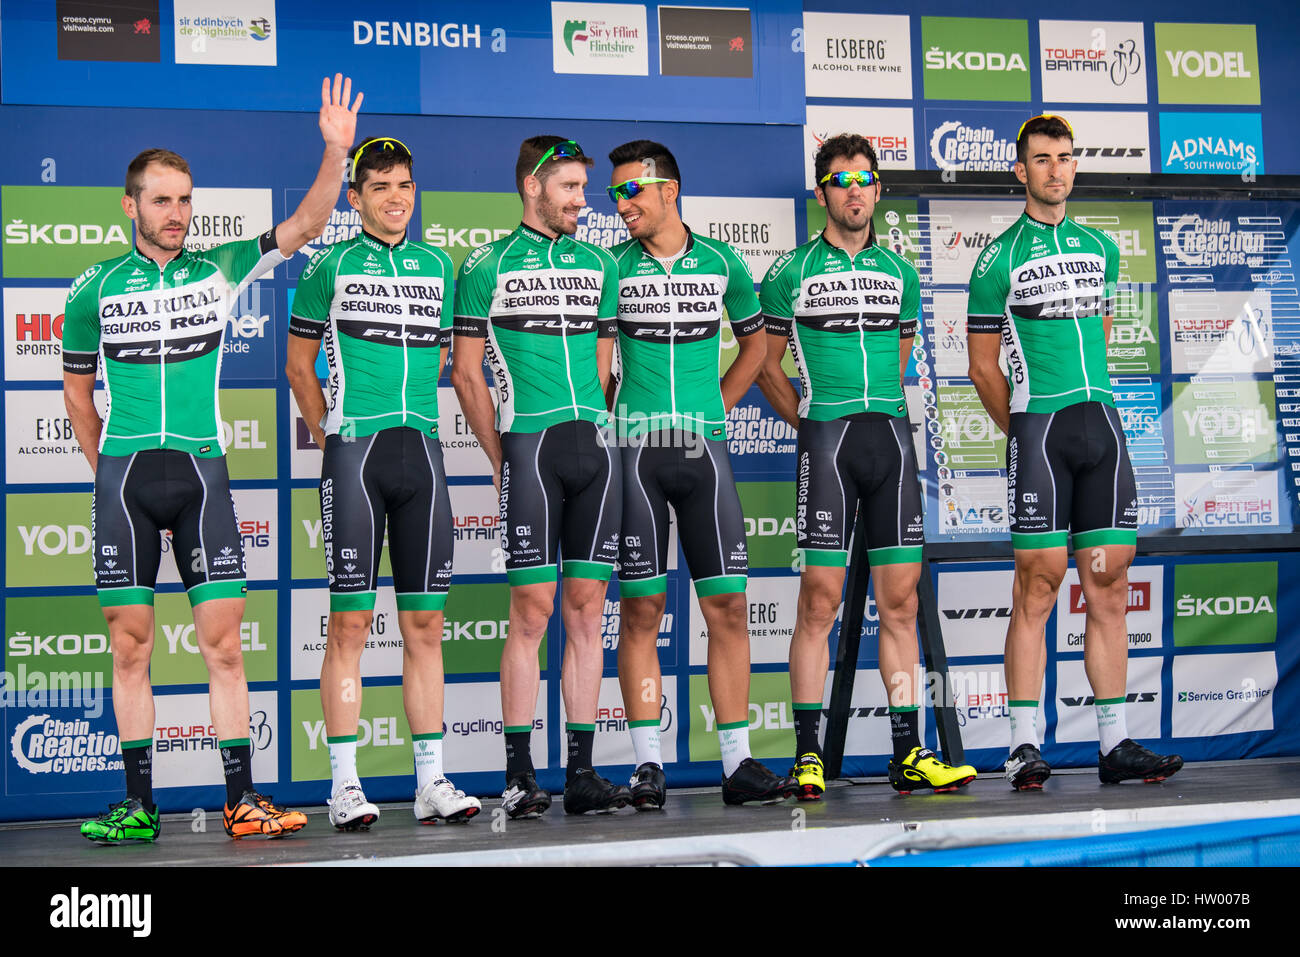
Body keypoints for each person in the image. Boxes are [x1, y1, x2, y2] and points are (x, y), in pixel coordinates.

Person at [63, 75, 362, 842]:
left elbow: (303, 222)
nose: (177, 216)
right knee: (130, 647)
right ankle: (138, 805)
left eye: (186, 200)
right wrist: (108, 469)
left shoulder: (221, 268)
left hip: (203, 476)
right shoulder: (92, 288)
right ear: (130, 206)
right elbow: (74, 393)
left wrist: (335, 151)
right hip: (127, 479)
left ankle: (241, 800)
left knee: (223, 644)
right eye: (162, 201)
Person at [965, 113, 1182, 789]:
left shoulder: (1100, 248)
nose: (1055, 169)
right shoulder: (995, 259)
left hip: (1104, 430)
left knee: (1110, 586)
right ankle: (1024, 744)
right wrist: (1024, 434)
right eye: (1041, 159)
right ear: (1019, 171)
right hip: (1041, 432)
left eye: (1064, 157)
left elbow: (1104, 329)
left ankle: (1115, 742)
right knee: (1037, 587)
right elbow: (981, 368)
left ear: (1074, 167)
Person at [758, 134, 976, 798]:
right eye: (840, 178)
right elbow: (766, 364)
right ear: (821, 191)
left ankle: (908, 751)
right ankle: (806, 754)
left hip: (891, 439)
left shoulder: (903, 274)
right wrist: (811, 423)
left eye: (864, 178)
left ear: (878, 189)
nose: (853, 189)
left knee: (901, 601)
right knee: (819, 600)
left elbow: (903, 355)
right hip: (828, 439)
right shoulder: (788, 272)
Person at [286, 136, 481, 829]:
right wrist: (327, 433)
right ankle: (344, 784)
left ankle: (430, 780)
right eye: (382, 187)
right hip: (356, 455)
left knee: (425, 623)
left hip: (422, 454)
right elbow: (299, 365)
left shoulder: (437, 266)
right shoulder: (327, 266)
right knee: (351, 622)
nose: (398, 197)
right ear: (355, 197)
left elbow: (451, 366)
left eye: (405, 184)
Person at [606, 140, 798, 807]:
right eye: (615, 193)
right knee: (642, 609)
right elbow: (596, 363)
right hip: (632, 450)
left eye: (632, 190)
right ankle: (647, 763)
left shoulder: (721, 260)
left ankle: (738, 761)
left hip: (704, 450)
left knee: (729, 607)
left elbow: (758, 344)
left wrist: (718, 402)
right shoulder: (609, 267)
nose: (621, 203)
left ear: (670, 190)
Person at [451, 136, 628, 817]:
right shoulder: (486, 265)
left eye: (584, 189)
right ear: (533, 186)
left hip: (595, 452)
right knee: (532, 613)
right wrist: (503, 456)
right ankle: (521, 774)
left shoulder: (600, 264)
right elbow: (466, 375)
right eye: (572, 189)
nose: (584, 202)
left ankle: (581, 773)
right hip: (528, 448)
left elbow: (607, 366)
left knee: (587, 614)